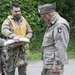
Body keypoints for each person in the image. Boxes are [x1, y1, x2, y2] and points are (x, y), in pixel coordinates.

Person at [38, 2, 70, 75]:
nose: (43, 19)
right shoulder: (52, 24)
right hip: (49, 63)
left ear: (49, 15)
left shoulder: (60, 25)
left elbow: (61, 47)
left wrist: (57, 65)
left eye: (43, 17)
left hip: (54, 66)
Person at [1, 2, 32, 75]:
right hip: (11, 51)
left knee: (23, 71)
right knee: (10, 71)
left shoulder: (23, 20)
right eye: (15, 11)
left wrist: (25, 38)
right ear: (11, 11)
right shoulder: (8, 21)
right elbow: (4, 30)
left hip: (22, 50)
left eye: (19, 11)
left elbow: (30, 32)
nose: (18, 13)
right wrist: (13, 36)